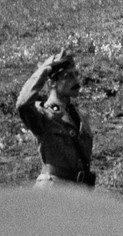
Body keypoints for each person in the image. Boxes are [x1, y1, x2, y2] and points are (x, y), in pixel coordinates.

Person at [16, 50, 95, 188]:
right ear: (52, 83)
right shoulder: (43, 115)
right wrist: (44, 70)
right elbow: (23, 103)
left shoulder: (78, 115)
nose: (76, 80)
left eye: (76, 75)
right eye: (68, 76)